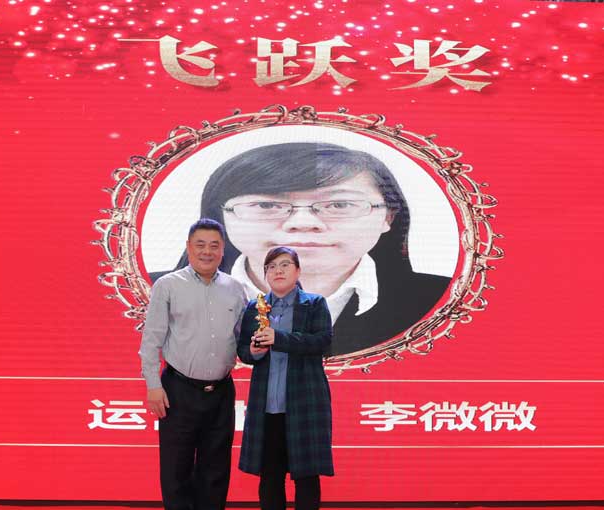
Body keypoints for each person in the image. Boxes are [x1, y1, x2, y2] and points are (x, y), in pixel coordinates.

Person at [155, 142, 450, 356]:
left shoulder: (444, 301)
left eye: (339, 204)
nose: (303, 223)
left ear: (388, 217)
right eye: (266, 205)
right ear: (221, 218)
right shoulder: (162, 293)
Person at [138, 218, 247, 510]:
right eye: (200, 244)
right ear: (188, 247)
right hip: (178, 390)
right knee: (177, 473)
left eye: (214, 245)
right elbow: (151, 340)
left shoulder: (235, 289)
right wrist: (153, 385)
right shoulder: (168, 285)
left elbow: (243, 341)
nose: (207, 251)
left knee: (215, 473)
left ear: (223, 250)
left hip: (221, 391)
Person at [236, 246, 334, 510]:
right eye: (271, 266)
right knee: (270, 481)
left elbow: (322, 342)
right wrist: (253, 350)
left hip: (304, 404)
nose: (278, 271)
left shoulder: (314, 304)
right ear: (265, 274)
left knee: (306, 479)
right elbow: (243, 351)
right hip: (268, 406)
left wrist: (279, 339)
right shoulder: (255, 307)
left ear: (297, 271)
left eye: (285, 265)